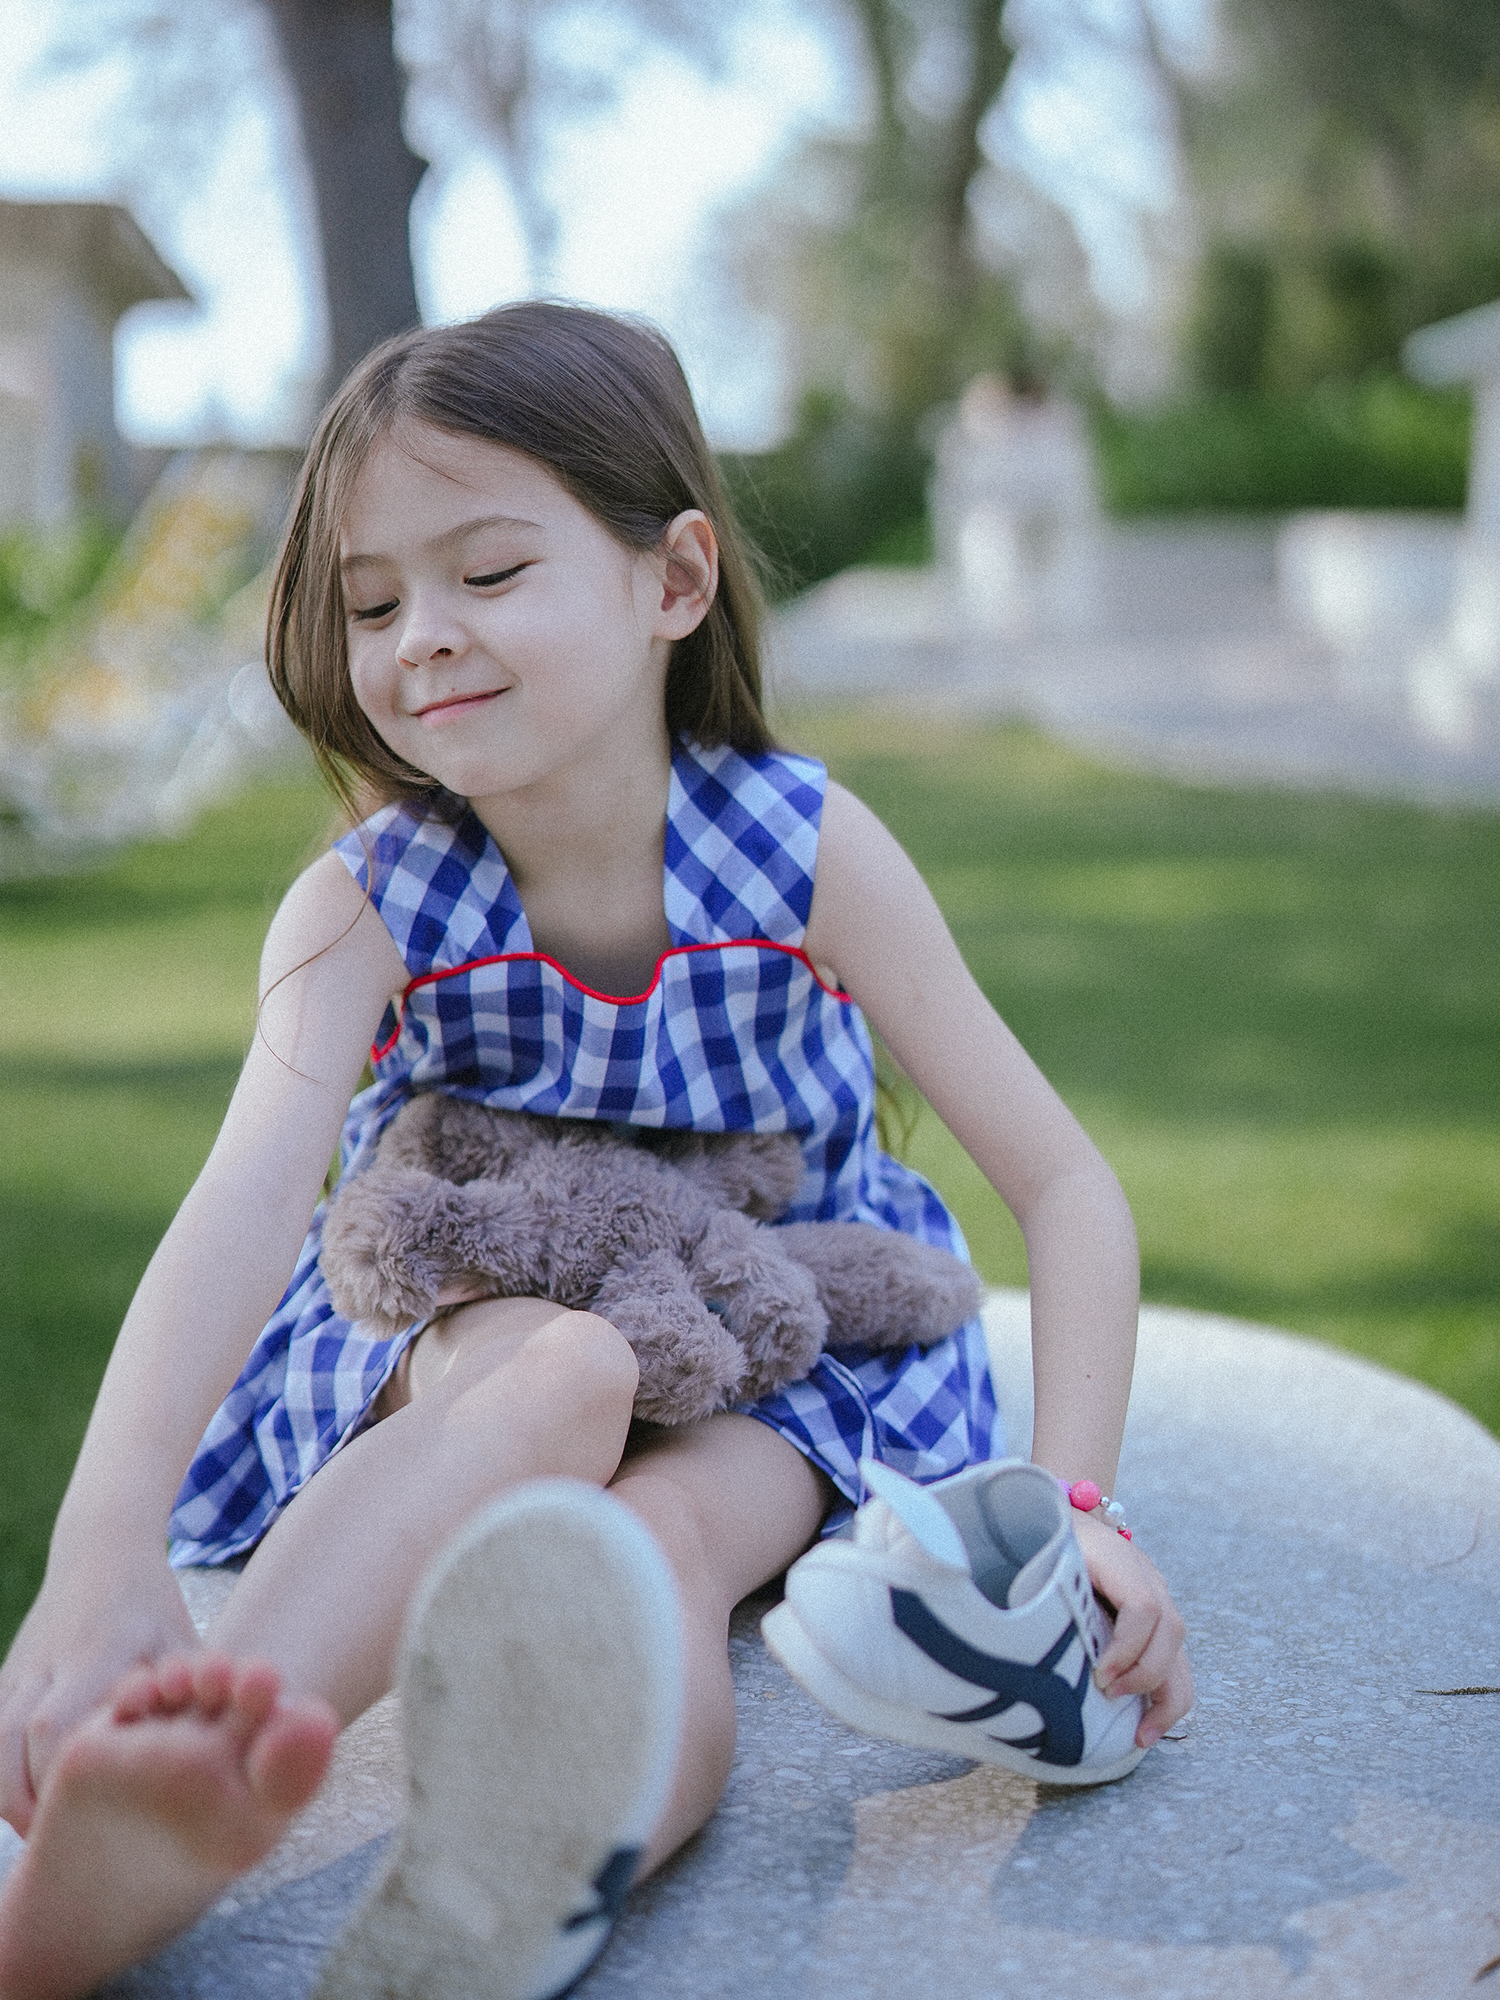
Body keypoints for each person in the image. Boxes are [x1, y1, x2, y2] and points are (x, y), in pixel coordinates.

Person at [0, 302, 1191, 1998]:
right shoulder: (362, 908)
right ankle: (198, 1770)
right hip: (481, 1291)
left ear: (672, 582)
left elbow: (1064, 1185)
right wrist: (104, 1553)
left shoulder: (806, 852)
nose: (424, 635)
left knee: (666, 1557)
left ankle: (535, 1863)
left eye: (489, 572)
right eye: (373, 599)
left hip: (781, 1318)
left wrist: (1078, 1515)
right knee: (559, 1374)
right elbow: (245, 1202)